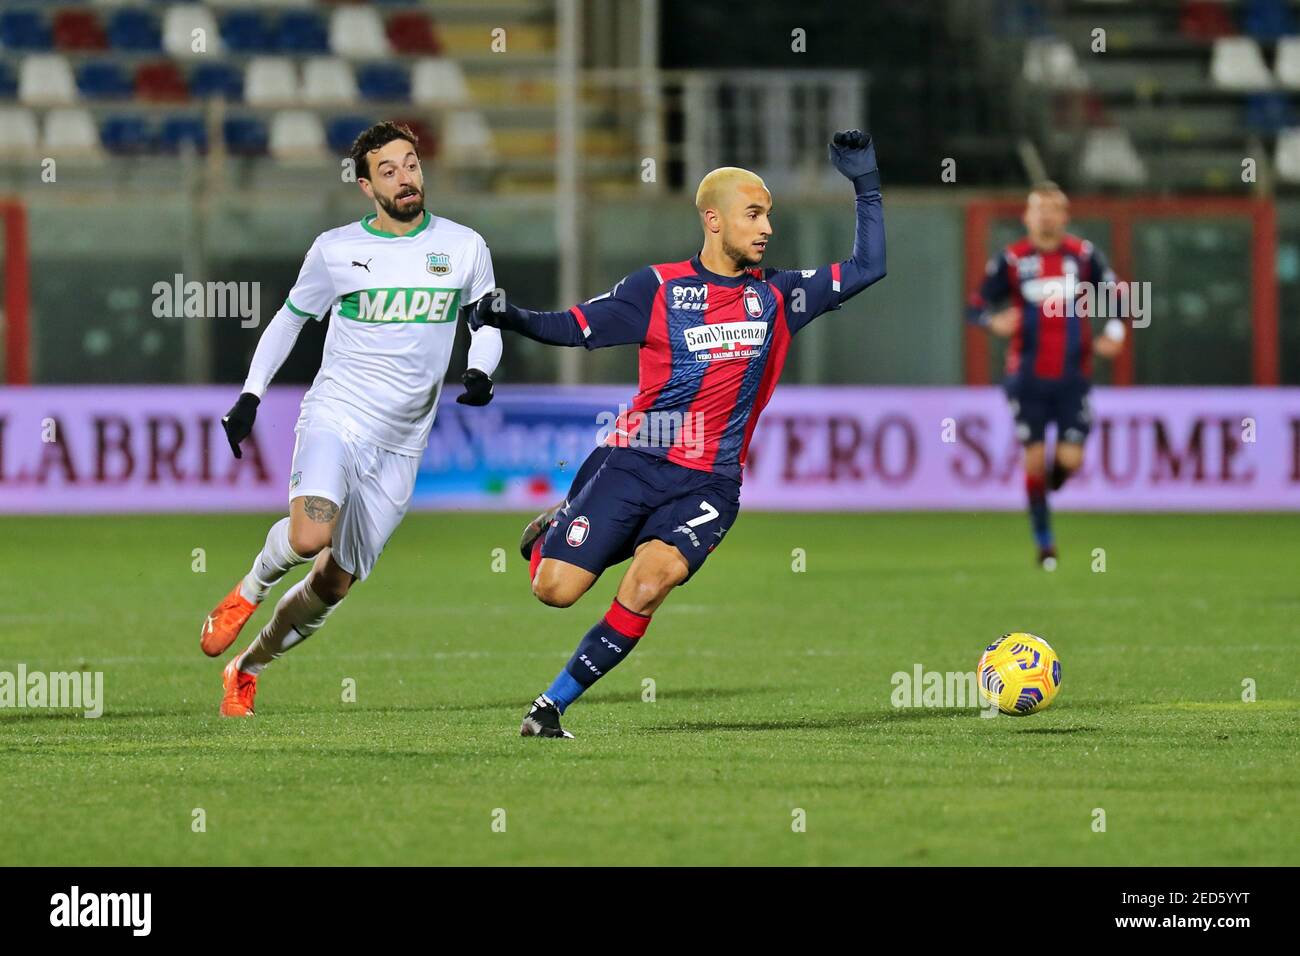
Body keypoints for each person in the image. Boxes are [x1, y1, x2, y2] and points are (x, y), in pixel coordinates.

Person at [469, 130, 886, 737]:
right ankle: (560, 530)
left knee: (650, 580)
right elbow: (576, 327)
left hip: (710, 484)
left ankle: (549, 708)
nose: (766, 226)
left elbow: (869, 266)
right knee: (554, 590)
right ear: (713, 220)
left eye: (768, 214)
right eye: (753, 213)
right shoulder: (658, 288)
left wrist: (865, 183)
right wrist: (509, 315)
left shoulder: (782, 295)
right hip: (634, 460)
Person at [201, 122, 502, 716]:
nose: (405, 177)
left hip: (402, 444)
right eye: (388, 171)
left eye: (411, 164)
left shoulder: (465, 246)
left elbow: (484, 322)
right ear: (366, 186)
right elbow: (289, 320)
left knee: (332, 584)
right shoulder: (336, 250)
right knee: (310, 532)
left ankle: (248, 667)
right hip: (337, 415)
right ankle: (247, 591)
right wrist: (251, 395)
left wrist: (481, 370)